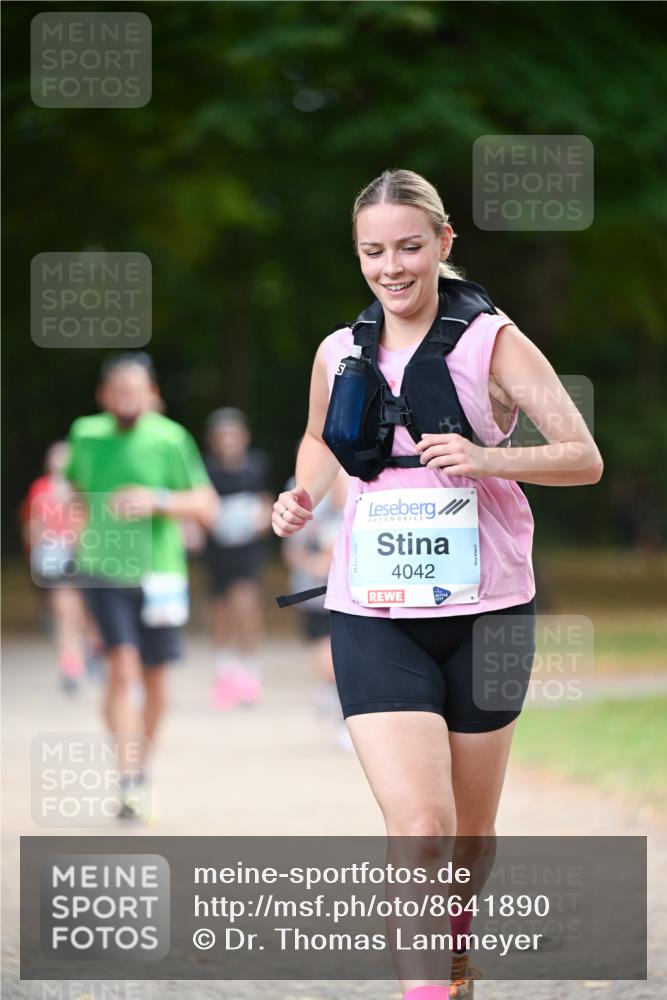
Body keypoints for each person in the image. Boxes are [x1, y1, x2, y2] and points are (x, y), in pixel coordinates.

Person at [272, 169, 603, 999]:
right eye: (372, 251)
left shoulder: (491, 340)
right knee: (419, 829)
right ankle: (422, 990)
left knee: (469, 835)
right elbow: (320, 436)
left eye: (408, 247)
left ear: (443, 244)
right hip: (373, 611)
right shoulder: (338, 349)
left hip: (488, 613)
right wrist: (302, 491)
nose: (391, 266)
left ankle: (453, 947)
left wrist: (485, 457)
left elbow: (582, 457)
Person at [65, 352, 217, 819]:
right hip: (102, 570)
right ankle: (127, 773)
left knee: (155, 679)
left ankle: (140, 769)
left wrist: (158, 500)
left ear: (152, 394)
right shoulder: (85, 435)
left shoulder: (171, 439)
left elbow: (207, 507)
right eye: (118, 390)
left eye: (136, 390)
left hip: (161, 573)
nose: (126, 398)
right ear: (103, 395)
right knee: (122, 666)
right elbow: (73, 493)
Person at [202, 407, 272, 710]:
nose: (228, 441)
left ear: (243, 437)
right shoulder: (205, 469)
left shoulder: (256, 465)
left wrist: (263, 518)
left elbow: (265, 500)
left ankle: (249, 668)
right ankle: (225, 670)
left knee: (246, 603)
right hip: (217, 548)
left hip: (247, 548)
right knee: (221, 608)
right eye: (222, 436)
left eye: (233, 435)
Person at [282, 467, 351, 750]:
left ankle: (344, 712)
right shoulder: (300, 493)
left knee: (346, 658)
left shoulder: (360, 484)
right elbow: (292, 550)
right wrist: (314, 565)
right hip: (315, 591)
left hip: (351, 589)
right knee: (327, 659)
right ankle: (334, 698)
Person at [21, 441, 92, 693]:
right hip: (52, 556)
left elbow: (88, 521)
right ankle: (71, 663)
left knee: (80, 611)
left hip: (79, 554)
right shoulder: (40, 487)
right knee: (65, 610)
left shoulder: (81, 488)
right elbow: (33, 523)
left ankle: (89, 648)